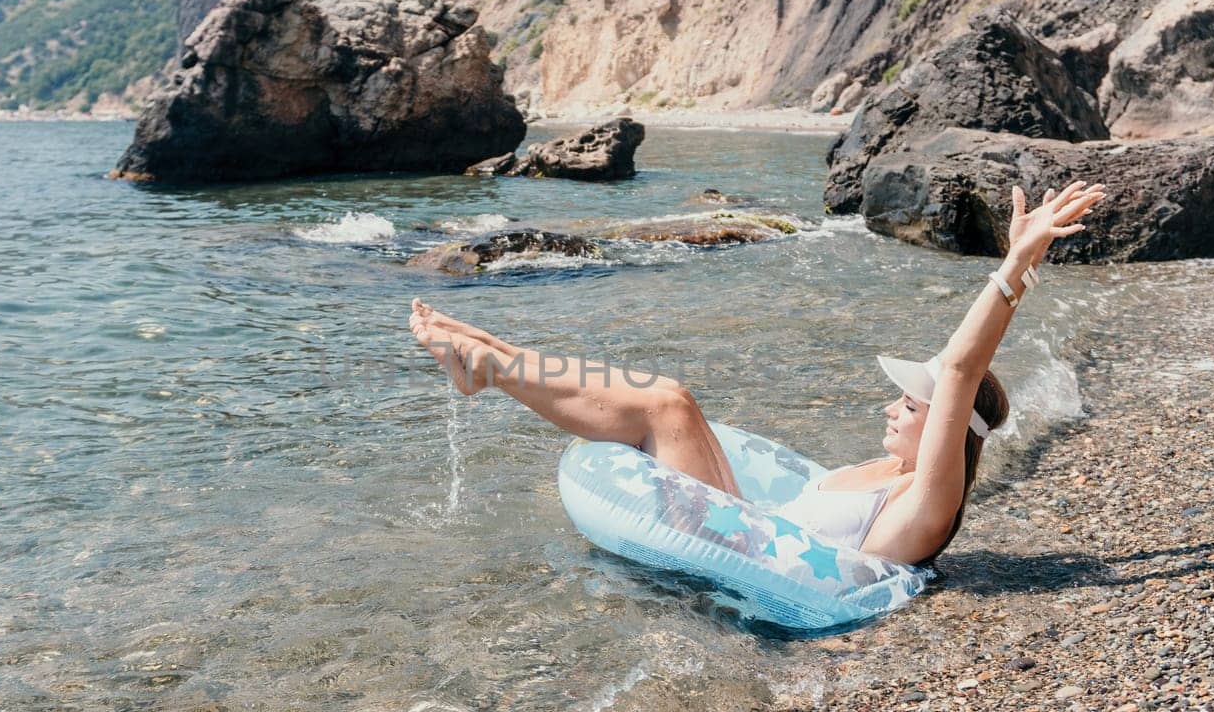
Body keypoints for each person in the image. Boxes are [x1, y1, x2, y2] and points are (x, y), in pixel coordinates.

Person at [409, 179, 1106, 567]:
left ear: (950, 428)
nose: (893, 410)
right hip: (747, 527)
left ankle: (489, 368)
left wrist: (1015, 268)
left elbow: (959, 368)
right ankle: (489, 349)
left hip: (738, 554)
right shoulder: (892, 474)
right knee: (675, 400)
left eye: (912, 406)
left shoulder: (927, 504)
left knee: (669, 404)